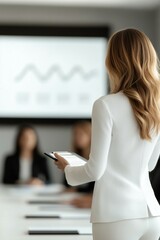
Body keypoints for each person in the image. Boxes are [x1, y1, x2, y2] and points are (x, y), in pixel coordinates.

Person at [54, 29, 160, 240]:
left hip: (116, 216)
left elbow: (95, 170)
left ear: (113, 61)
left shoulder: (105, 105)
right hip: (151, 214)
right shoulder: (155, 105)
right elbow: (150, 164)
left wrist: (69, 169)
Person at [64, 121, 94, 208]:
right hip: (73, 200)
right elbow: (66, 183)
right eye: (75, 134)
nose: (77, 138)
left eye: (80, 134)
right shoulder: (72, 157)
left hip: (87, 202)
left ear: (90, 136)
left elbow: (93, 187)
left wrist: (76, 189)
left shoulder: (95, 160)